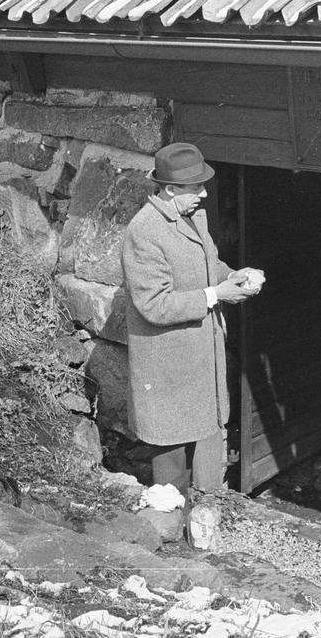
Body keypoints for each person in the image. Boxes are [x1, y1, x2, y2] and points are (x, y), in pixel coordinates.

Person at [120, 142, 261, 501]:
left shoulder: (193, 216)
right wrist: (216, 296)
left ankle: (197, 518)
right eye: (194, 187)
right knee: (170, 464)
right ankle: (166, 536)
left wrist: (235, 274)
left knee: (199, 442)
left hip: (197, 357)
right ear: (169, 189)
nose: (203, 193)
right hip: (167, 364)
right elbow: (154, 304)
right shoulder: (145, 232)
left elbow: (207, 268)